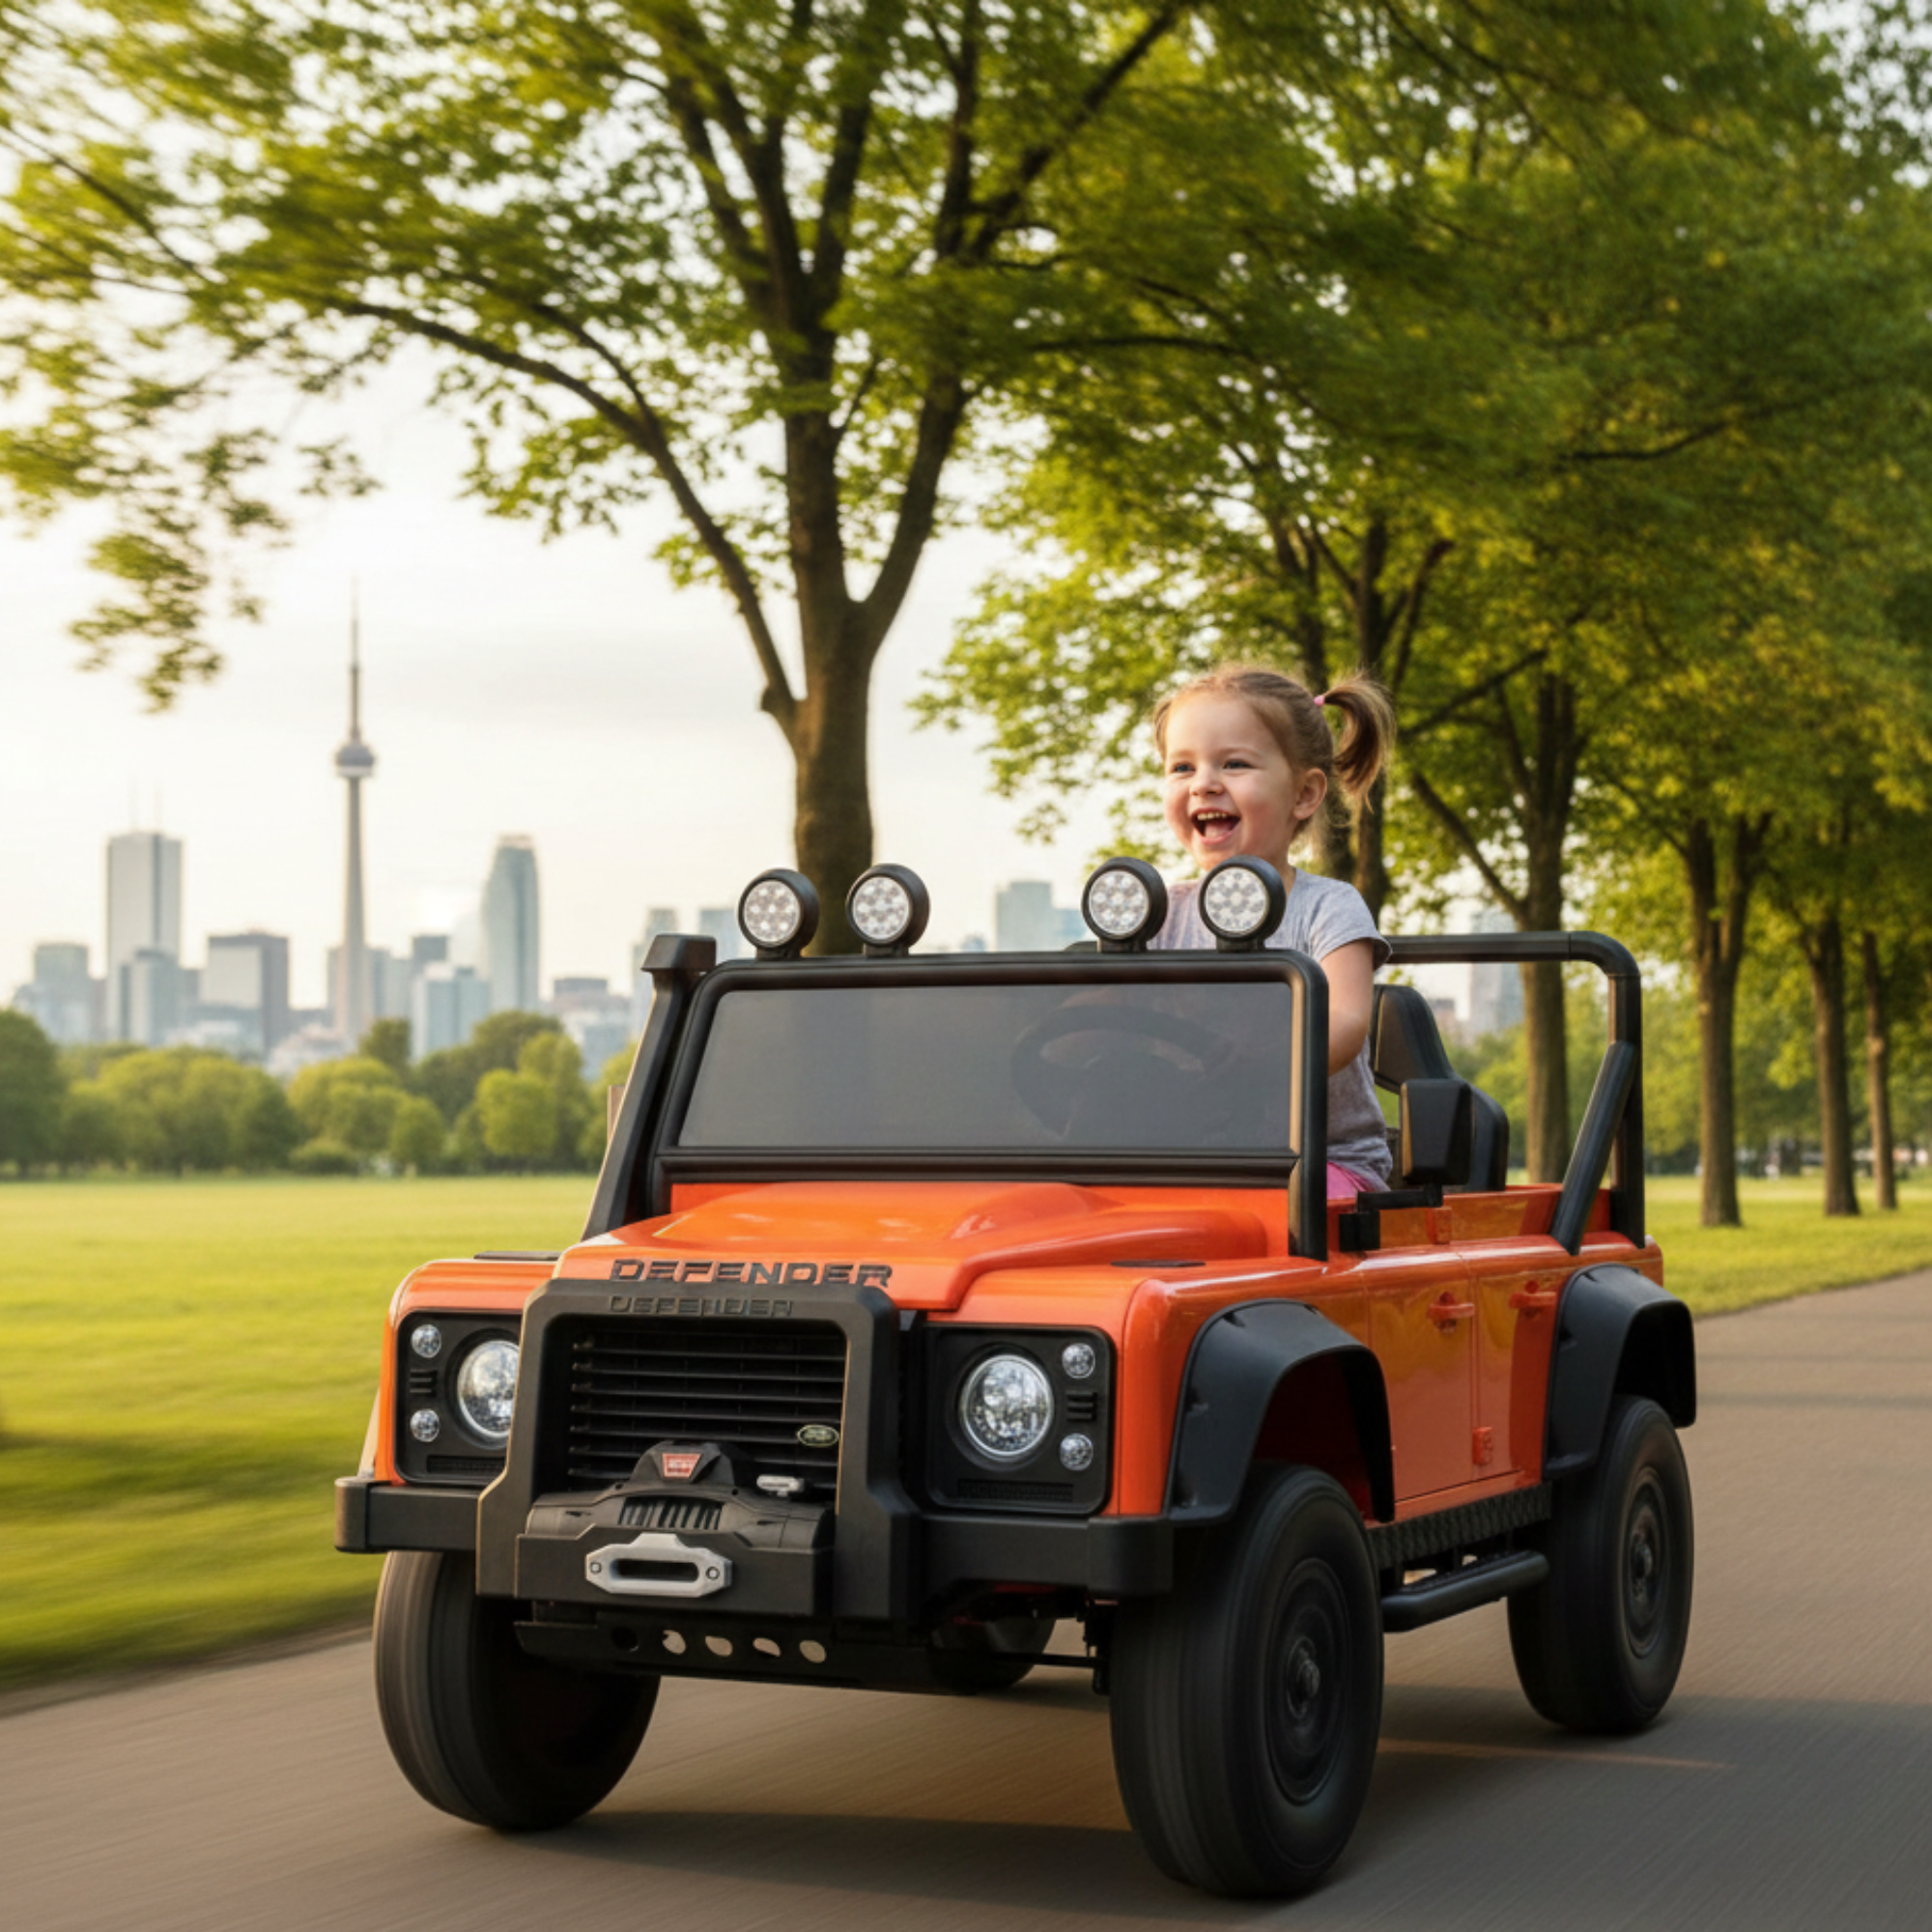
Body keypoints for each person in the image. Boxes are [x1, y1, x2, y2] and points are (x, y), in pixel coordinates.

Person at [1149, 664, 1397, 1199]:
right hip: (1188, 1159)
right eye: (1182, 767)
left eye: (1234, 763)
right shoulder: (1159, 914)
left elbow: (1347, 1021)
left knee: (1271, 1209)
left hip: (1321, 1164)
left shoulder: (1327, 906)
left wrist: (1263, 1054)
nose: (1204, 784)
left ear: (1305, 795)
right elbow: (1107, 1015)